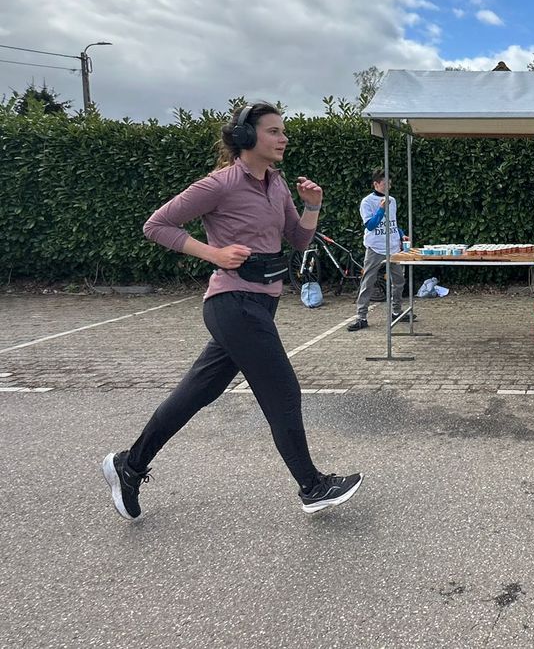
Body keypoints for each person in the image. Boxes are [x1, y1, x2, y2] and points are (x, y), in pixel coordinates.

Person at [102, 102, 362, 520]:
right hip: (232, 303)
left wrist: (311, 205)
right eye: (274, 131)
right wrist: (214, 253)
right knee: (283, 391)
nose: (283, 138)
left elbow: (297, 240)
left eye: (283, 131)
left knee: (196, 393)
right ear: (246, 137)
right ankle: (312, 487)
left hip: (260, 304)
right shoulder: (219, 184)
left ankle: (128, 466)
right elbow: (156, 225)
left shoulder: (276, 185)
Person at [347, 168, 411, 331]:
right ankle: (361, 317)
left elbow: (392, 222)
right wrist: (381, 209)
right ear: (376, 184)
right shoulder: (367, 202)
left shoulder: (393, 200)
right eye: (385, 183)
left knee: (399, 281)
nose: (388, 186)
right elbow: (370, 225)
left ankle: (396, 312)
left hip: (393, 247)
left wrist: (402, 235)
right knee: (368, 281)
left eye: (390, 183)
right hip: (375, 247)